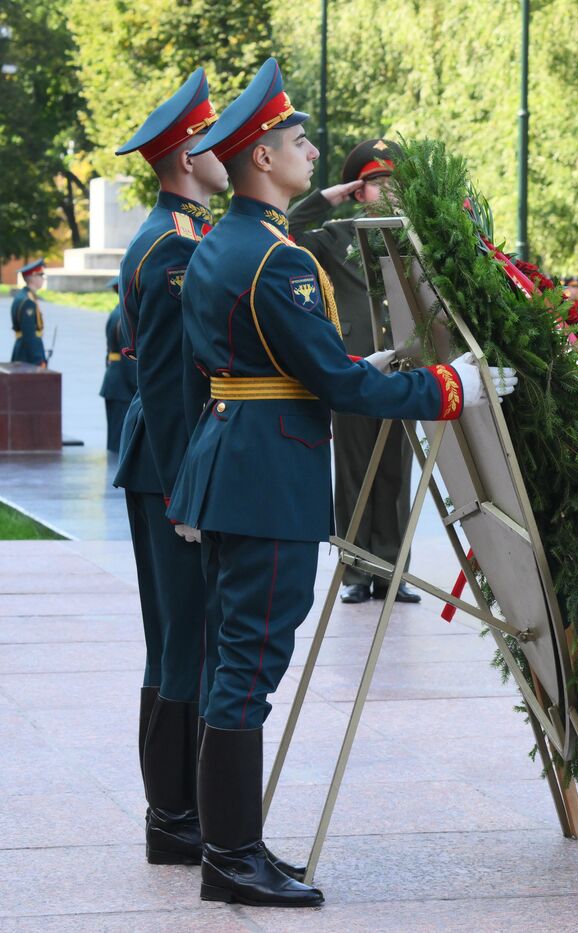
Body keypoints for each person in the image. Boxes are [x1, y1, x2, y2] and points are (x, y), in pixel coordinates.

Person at [167, 58, 518, 907]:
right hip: (268, 478)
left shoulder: (228, 244)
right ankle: (232, 859)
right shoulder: (276, 262)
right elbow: (340, 388)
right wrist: (448, 386)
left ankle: (234, 846)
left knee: (236, 664)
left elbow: (266, 365)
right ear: (261, 160)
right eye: (298, 140)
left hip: (237, 463)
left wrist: (358, 361)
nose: (312, 149)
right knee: (248, 670)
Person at [110, 68, 230, 869]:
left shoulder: (174, 237)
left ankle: (175, 812)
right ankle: (175, 817)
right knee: (182, 639)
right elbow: (163, 380)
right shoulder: (172, 249)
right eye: (212, 140)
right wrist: (192, 486)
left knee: (178, 638)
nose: (227, 151)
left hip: (160, 466)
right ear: (187, 157)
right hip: (168, 470)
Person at [288, 137, 423, 606]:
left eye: (390, 183)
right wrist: (324, 199)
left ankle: (391, 571)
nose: (382, 192)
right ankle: (355, 571)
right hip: (351, 370)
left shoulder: (415, 237)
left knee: (395, 472)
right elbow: (283, 231)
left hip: (402, 371)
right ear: (357, 191)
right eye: (371, 184)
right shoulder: (335, 235)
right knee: (353, 470)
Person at [100, 276, 138, 453]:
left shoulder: (116, 313)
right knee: (118, 443)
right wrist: (138, 386)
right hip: (122, 385)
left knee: (114, 438)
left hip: (114, 381)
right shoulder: (124, 318)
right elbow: (127, 359)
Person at [10, 260, 47, 366]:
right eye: (41, 275)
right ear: (33, 277)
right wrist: (38, 359)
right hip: (27, 354)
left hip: (22, 349)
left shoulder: (23, 296)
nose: (43, 279)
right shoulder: (28, 301)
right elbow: (29, 334)